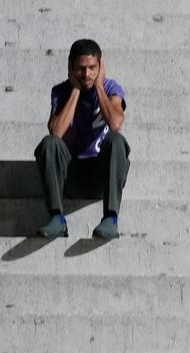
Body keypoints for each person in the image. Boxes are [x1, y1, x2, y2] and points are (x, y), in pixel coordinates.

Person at [34, 38, 129, 240]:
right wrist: (76, 90)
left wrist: (99, 88)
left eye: (92, 68)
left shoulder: (112, 89)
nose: (86, 74)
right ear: (70, 67)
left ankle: (110, 218)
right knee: (49, 144)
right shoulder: (61, 91)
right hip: (70, 175)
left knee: (117, 140)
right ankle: (57, 218)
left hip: (100, 175)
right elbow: (56, 132)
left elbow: (115, 123)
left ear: (100, 66)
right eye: (80, 68)